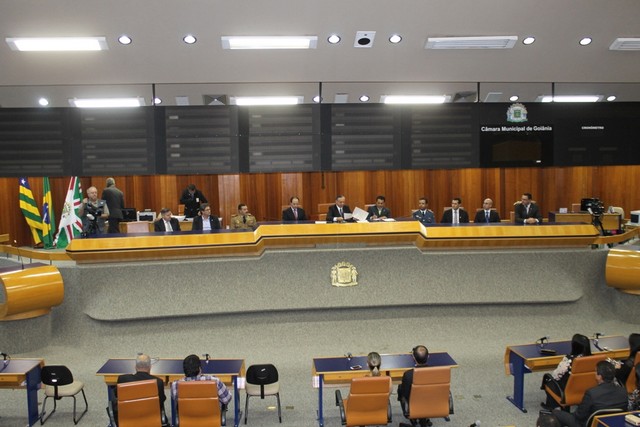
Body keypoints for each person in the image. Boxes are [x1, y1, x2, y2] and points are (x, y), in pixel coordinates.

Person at [552, 361, 627, 427]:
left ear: (599, 376)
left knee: (555, 413)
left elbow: (579, 416)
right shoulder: (623, 391)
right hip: (611, 424)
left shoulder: (591, 393)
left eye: (595, 371)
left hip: (586, 424)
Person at [541, 334, 592, 409]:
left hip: (568, 390)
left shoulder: (568, 360)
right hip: (588, 389)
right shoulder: (595, 359)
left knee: (549, 381)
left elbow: (556, 375)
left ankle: (551, 407)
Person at [116, 354, 166, 419]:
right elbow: (161, 401)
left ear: (135, 367)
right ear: (150, 367)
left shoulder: (122, 379)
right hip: (151, 418)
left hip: (128, 418)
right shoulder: (158, 382)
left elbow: (117, 396)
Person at [398, 345, 430, 427]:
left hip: (414, 405)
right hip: (432, 403)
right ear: (428, 356)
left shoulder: (408, 375)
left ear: (413, 358)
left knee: (400, 388)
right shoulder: (437, 373)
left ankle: (415, 418)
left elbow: (405, 394)